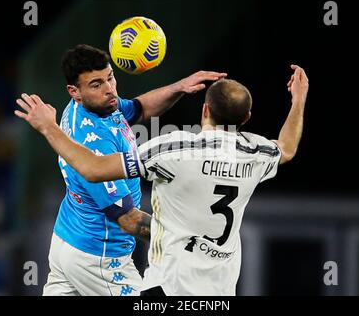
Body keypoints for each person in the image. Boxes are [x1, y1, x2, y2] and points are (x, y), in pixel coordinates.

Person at [15, 64, 309, 295]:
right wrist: (298, 100)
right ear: (246, 118)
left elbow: (93, 168)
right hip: (220, 290)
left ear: (204, 110)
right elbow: (287, 148)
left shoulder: (172, 149)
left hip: (167, 286)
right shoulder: (255, 152)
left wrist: (48, 128)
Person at [17, 44, 227, 296]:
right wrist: (188, 237)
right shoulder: (95, 143)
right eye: (97, 84)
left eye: (110, 78)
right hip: (99, 257)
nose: (109, 89)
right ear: (75, 91)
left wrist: (178, 87)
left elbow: (141, 108)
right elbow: (128, 220)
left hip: (68, 240)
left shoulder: (93, 107)